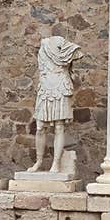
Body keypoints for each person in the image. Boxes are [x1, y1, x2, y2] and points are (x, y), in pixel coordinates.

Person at [27, 36, 83, 173]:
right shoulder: (45, 44)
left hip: (61, 87)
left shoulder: (65, 45)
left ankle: (56, 164)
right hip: (45, 88)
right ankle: (39, 161)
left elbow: (77, 53)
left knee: (59, 127)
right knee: (40, 127)